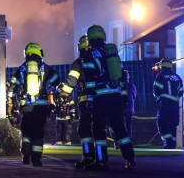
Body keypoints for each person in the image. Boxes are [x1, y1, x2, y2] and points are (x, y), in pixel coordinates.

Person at [82, 24, 136, 170]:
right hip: (115, 96)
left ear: (90, 38)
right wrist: (124, 97)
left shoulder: (89, 54)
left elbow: (90, 80)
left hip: (100, 98)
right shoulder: (111, 52)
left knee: (99, 131)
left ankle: (101, 161)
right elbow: (122, 77)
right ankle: (130, 158)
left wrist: (90, 100)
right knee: (120, 130)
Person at [8, 42, 60, 167]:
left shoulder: (21, 68)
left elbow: (13, 88)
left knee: (26, 132)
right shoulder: (46, 68)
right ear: (40, 53)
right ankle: (36, 159)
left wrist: (14, 107)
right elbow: (56, 81)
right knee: (38, 133)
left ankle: (26, 156)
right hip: (42, 107)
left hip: (26, 107)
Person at [59, 35, 96, 169]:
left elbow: (70, 85)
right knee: (99, 129)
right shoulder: (100, 59)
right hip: (103, 99)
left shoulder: (78, 63)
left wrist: (62, 93)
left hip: (86, 100)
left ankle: (88, 156)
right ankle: (101, 158)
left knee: (84, 129)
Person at [152, 58, 184, 149]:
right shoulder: (177, 77)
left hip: (165, 103)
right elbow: (181, 92)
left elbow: (156, 91)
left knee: (162, 123)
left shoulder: (160, 75)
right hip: (175, 105)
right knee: (172, 124)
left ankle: (168, 142)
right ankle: (172, 144)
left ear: (162, 65)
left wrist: (160, 97)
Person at [120, 69, 137, 141]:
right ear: (127, 77)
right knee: (128, 125)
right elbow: (134, 96)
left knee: (120, 125)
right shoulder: (131, 86)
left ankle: (120, 141)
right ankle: (128, 140)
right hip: (129, 108)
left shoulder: (118, 85)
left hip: (120, 108)